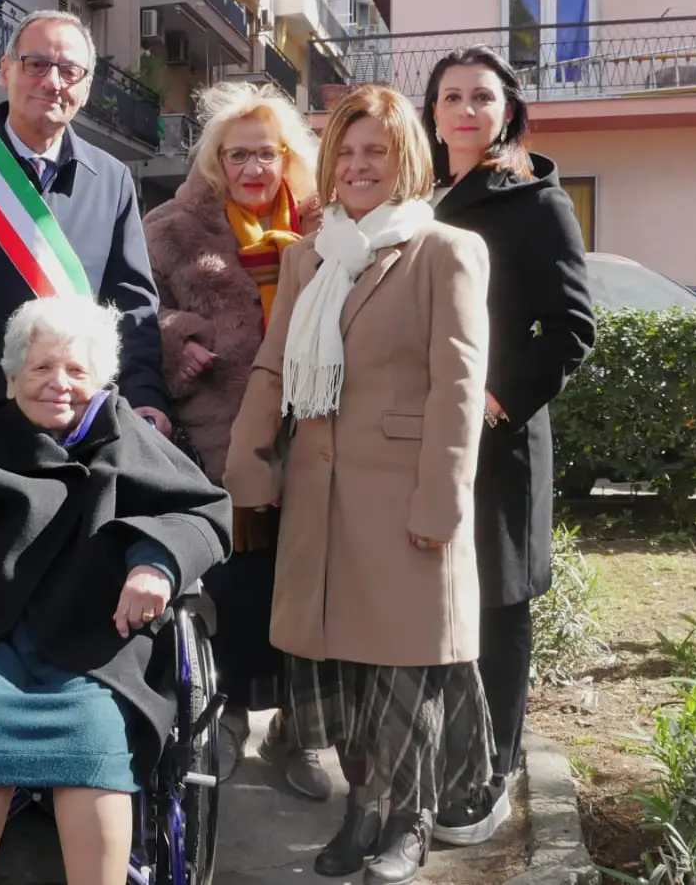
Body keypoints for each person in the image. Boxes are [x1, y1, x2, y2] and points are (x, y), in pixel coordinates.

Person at [0, 295, 231, 885]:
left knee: (96, 736)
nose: (59, 384)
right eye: (41, 368)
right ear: (11, 378)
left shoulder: (127, 437)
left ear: (103, 380)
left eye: (78, 371)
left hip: (95, 645)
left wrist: (156, 564)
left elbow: (203, 512)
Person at [224, 84, 495, 885]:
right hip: (319, 498)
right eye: (344, 150)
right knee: (337, 672)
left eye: (375, 149)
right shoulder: (311, 253)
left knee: (405, 673)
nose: (358, 164)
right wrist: (246, 458)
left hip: (407, 498)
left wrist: (444, 499)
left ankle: (405, 822)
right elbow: (275, 363)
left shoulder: (445, 249)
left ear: (404, 155)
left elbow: (458, 382)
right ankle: (361, 807)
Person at [422, 47, 595, 846]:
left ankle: (493, 763)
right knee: (430, 592)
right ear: (431, 110)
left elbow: (571, 328)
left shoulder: (534, 200)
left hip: (498, 436)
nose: (464, 110)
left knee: (498, 599)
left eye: (480, 97)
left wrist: (491, 404)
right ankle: (430, 753)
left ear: (507, 110)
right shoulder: (417, 193)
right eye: (450, 96)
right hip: (415, 428)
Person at [142, 81, 333, 797]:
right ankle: (221, 720)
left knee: (308, 586)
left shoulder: (330, 228)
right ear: (216, 160)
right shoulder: (171, 228)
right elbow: (134, 313)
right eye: (238, 154)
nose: (254, 167)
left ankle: (301, 732)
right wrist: (175, 342)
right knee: (231, 587)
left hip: (314, 435)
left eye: (268, 153)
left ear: (290, 159)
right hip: (216, 445)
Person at [0, 10, 171, 435]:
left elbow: (132, 306)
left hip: (82, 428)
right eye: (36, 64)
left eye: (69, 70)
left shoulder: (112, 179)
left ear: (87, 86)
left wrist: (146, 397)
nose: (52, 82)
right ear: (6, 68)